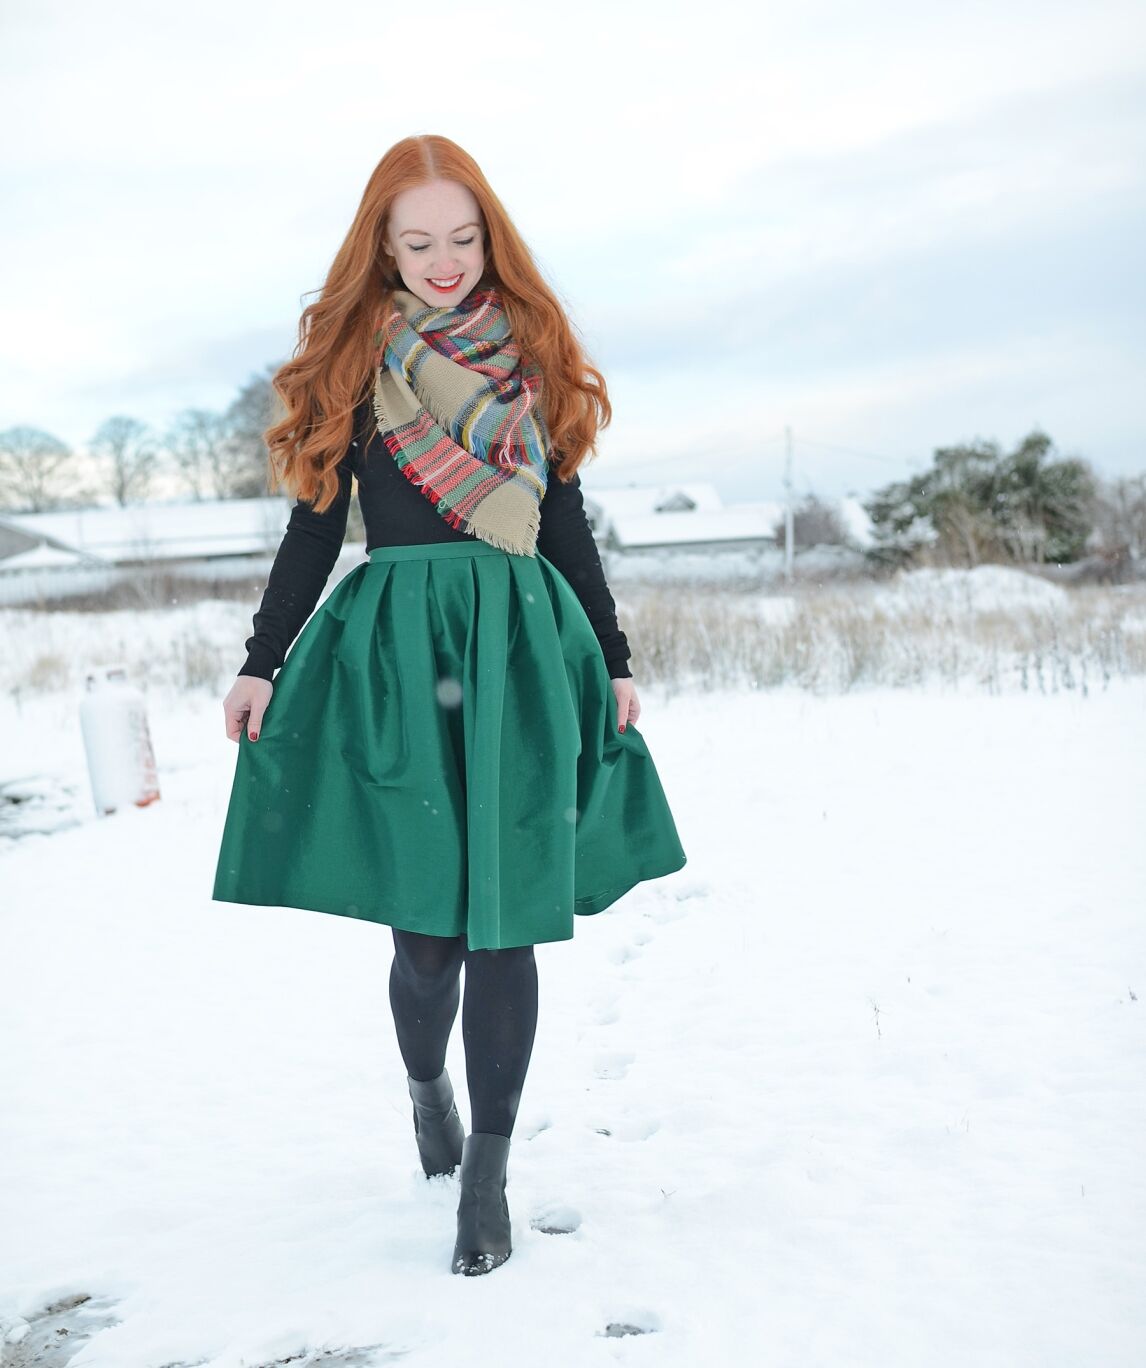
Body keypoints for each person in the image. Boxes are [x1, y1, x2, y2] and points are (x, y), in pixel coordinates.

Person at [212, 135, 687, 1277]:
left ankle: (488, 1171)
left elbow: (565, 524)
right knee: (427, 944)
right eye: (417, 241)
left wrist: (612, 656)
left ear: (492, 238)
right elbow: (316, 529)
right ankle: (427, 1088)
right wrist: (260, 661)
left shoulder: (531, 361)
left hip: (524, 652)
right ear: (381, 245)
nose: (442, 260)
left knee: (508, 923)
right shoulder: (354, 366)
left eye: (462, 238)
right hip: (398, 657)